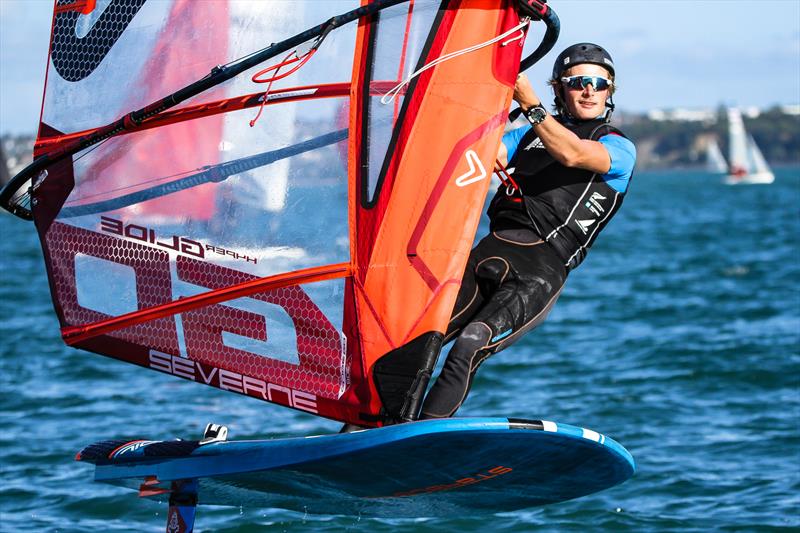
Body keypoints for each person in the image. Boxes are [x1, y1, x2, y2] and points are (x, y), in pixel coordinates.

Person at [419, 43, 636, 419]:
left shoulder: (618, 148)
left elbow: (574, 155)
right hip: (489, 251)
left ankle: (419, 436)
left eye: (599, 84)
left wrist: (529, 104)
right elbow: (473, 159)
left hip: (538, 272)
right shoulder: (524, 137)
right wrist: (484, 102)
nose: (589, 91)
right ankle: (368, 426)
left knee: (471, 343)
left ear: (609, 93)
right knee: (418, 339)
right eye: (579, 82)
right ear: (559, 89)